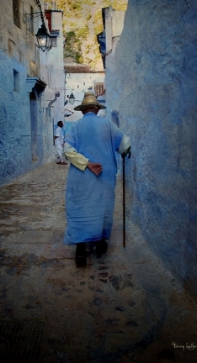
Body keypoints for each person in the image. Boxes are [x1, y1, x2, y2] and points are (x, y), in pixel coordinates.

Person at [64, 92, 131, 266]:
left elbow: (68, 151)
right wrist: (124, 151)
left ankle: (80, 249)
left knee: (80, 208)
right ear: (96, 108)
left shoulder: (75, 127)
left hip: (80, 177)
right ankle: (100, 243)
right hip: (104, 177)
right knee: (102, 207)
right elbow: (124, 143)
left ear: (83, 110)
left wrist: (87, 163)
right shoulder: (108, 125)